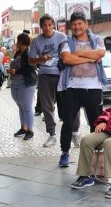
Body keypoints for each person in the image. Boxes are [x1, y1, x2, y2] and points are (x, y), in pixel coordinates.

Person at [57, 11, 107, 167]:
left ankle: (97, 152)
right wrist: (91, 58)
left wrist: (78, 54)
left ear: (86, 24)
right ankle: (65, 152)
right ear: (71, 26)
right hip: (72, 86)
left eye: (80, 23)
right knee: (68, 122)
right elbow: (66, 58)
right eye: (74, 24)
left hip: (94, 87)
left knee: (96, 122)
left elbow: (101, 53)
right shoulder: (66, 41)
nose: (77, 27)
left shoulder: (98, 40)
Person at [29, 14, 79, 148]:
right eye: (44, 25)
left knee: (71, 103)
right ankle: (52, 135)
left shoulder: (62, 37)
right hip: (45, 75)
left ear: (53, 25)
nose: (47, 28)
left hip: (63, 74)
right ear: (40, 27)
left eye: (49, 25)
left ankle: (75, 133)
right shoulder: (36, 41)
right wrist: (41, 59)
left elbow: (69, 53)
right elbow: (31, 61)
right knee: (47, 106)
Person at [8, 33, 37, 140]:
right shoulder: (18, 53)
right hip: (16, 83)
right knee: (21, 107)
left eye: (18, 40)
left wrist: (16, 71)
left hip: (26, 83)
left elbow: (31, 68)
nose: (17, 42)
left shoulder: (29, 53)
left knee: (27, 108)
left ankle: (30, 130)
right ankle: (23, 128)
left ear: (22, 42)